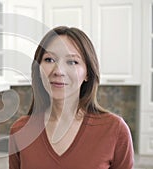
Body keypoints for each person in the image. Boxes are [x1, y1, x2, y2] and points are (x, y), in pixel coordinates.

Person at [9, 26, 134, 169]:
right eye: (49, 59)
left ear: (88, 73)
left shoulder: (115, 130)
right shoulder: (20, 130)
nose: (59, 71)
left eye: (73, 62)